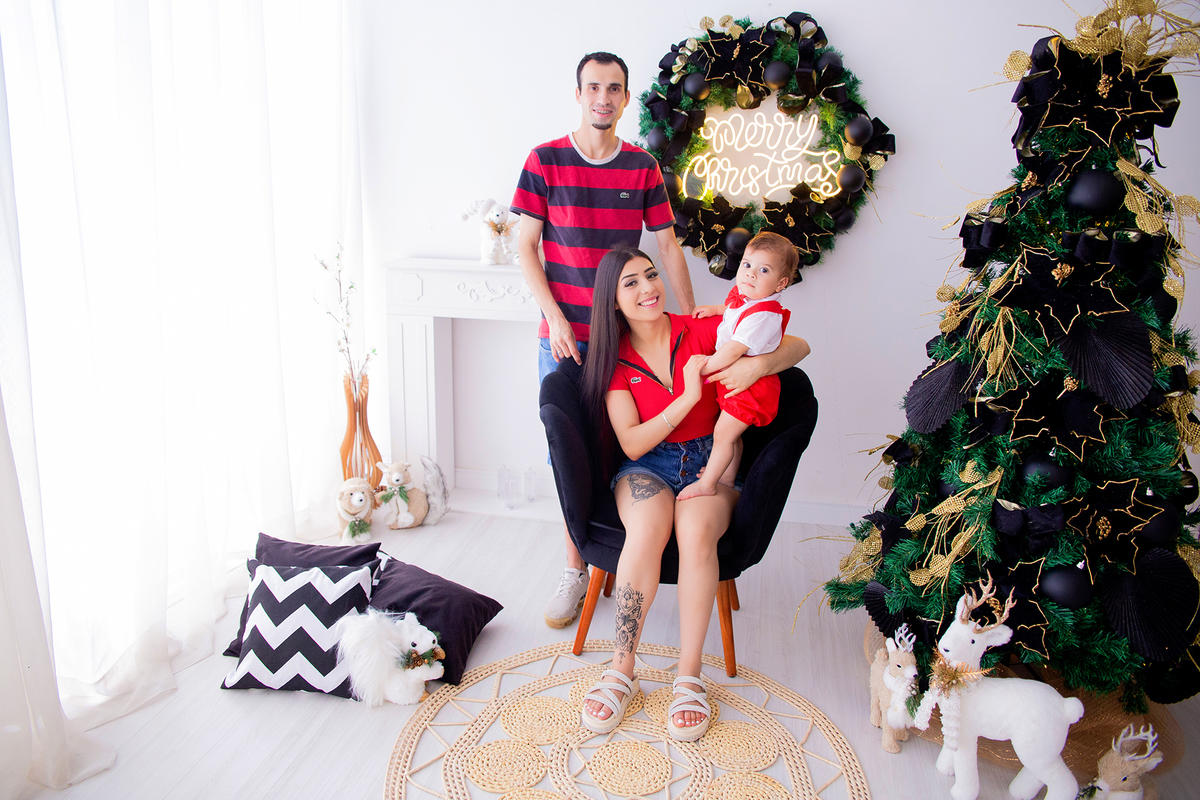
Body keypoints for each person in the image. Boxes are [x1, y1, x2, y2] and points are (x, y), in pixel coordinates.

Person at [576, 246, 809, 741]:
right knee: (646, 531)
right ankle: (622, 668)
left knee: (697, 533)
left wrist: (757, 368)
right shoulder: (615, 361)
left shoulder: (702, 328)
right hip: (648, 466)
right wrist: (686, 398)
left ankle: (688, 676)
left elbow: (799, 346)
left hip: (713, 461)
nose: (648, 289)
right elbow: (633, 442)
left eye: (651, 275)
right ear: (612, 301)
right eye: (632, 283)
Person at [511, 51, 696, 628]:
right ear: (578, 93)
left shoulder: (642, 166)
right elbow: (525, 247)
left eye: (614, 89)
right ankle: (575, 572)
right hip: (562, 341)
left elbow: (667, 248)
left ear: (625, 97)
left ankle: (611, 562)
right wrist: (558, 320)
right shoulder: (544, 161)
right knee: (569, 456)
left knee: (620, 453)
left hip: (626, 344)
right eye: (593, 87)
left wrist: (690, 326)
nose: (603, 98)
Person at [677, 232, 798, 502]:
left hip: (751, 386)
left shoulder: (765, 315)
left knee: (722, 435)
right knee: (731, 437)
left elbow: (733, 349)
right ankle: (728, 477)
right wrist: (716, 309)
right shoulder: (749, 300)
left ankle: (708, 483)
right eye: (747, 265)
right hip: (740, 382)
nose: (751, 274)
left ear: (781, 283)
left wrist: (705, 367)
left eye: (763, 270)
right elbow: (735, 311)